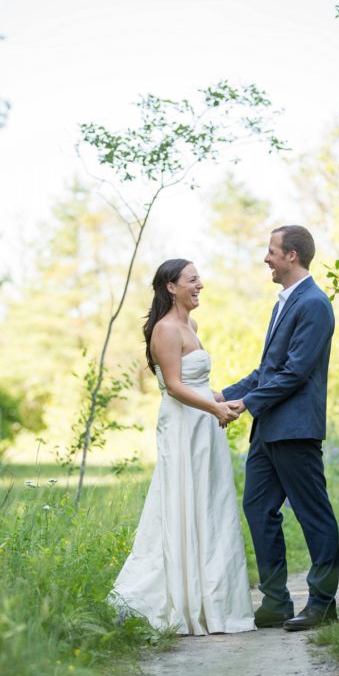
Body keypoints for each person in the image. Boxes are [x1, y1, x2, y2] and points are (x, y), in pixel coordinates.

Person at [109, 259, 255, 636]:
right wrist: (214, 408)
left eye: (199, 278)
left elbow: (198, 382)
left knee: (208, 504)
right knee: (181, 502)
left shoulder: (191, 325)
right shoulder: (166, 329)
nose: (200, 285)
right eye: (192, 280)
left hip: (202, 424)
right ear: (171, 287)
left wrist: (225, 399)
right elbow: (174, 386)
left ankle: (213, 600)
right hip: (183, 427)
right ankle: (177, 598)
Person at [218, 225, 339, 632]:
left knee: (312, 514)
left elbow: (295, 373)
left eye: (271, 251)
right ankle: (275, 601)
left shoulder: (315, 304)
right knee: (257, 507)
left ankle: (322, 604)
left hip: (296, 430)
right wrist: (221, 395)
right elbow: (267, 370)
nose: (265, 258)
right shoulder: (283, 302)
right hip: (267, 431)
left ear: (292, 255)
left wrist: (246, 404)